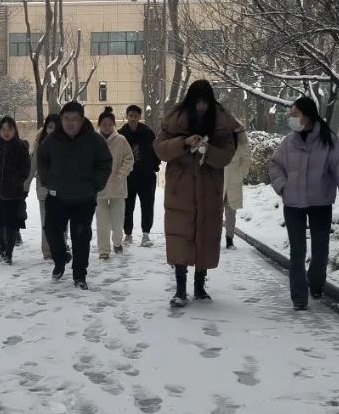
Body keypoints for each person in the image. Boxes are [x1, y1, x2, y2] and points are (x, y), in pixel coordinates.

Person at [269, 96, 339, 311]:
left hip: (320, 203)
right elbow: (275, 165)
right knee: (297, 252)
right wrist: (283, 186)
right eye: (291, 115)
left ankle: (316, 283)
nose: (292, 119)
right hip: (293, 204)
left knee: (320, 250)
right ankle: (299, 296)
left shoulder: (328, 141)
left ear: (308, 115)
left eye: (295, 115)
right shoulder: (288, 142)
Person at [154, 80, 238, 308]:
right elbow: (160, 148)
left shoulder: (221, 122)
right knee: (180, 236)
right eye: (197, 102)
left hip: (209, 188)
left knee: (205, 235)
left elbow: (227, 154)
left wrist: (207, 150)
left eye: (205, 102)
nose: (201, 107)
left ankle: (200, 285)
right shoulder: (174, 119)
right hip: (180, 189)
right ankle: (180, 288)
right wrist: (183, 142)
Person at [37, 101, 112, 289]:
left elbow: (105, 163)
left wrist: (96, 185)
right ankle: (60, 259)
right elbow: (42, 160)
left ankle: (79, 275)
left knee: (81, 237)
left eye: (75, 119)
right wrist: (48, 181)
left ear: (82, 120)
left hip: (83, 198)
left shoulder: (94, 140)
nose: (70, 123)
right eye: (66, 119)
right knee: (51, 230)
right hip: (57, 196)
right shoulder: (52, 140)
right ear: (61, 120)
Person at [0, 116, 31, 265]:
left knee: (11, 223)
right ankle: (2, 247)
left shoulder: (21, 147)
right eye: (3, 129)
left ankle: (9, 252)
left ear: (14, 130)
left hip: (14, 193)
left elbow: (25, 169)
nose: (6, 132)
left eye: (9, 129)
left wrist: (16, 182)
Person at [25, 113, 69, 260]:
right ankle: (47, 250)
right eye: (49, 127)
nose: (52, 130)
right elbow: (32, 166)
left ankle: (62, 247)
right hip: (44, 190)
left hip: (63, 191)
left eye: (55, 127)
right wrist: (25, 186)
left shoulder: (66, 144)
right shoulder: (40, 145)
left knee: (62, 221)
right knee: (46, 223)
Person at [118, 104, 160, 247]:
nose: (133, 118)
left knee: (147, 206)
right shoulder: (121, 134)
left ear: (139, 117)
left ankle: (146, 235)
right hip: (127, 177)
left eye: (136, 116)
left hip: (146, 177)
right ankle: (128, 234)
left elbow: (156, 150)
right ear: (127, 116)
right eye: (131, 116)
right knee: (127, 206)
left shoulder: (148, 133)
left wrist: (154, 166)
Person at [96, 107, 134, 260]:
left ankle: (117, 242)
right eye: (103, 124)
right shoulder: (94, 139)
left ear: (113, 125)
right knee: (102, 223)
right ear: (99, 125)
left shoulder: (121, 140)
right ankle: (103, 250)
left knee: (117, 221)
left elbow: (129, 158)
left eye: (109, 124)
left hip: (117, 186)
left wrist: (121, 174)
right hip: (99, 188)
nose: (106, 127)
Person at [223, 126, 253, 250]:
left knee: (231, 213)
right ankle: (213, 238)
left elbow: (246, 160)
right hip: (218, 182)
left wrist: (241, 174)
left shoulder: (241, 145)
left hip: (233, 182)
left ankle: (229, 239)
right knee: (213, 212)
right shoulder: (218, 143)